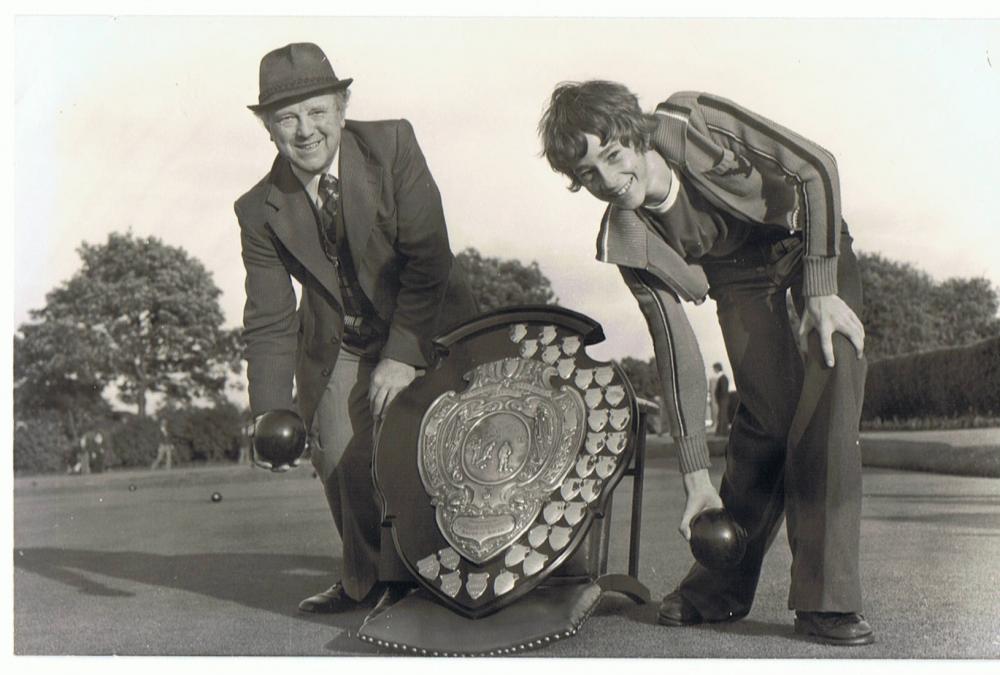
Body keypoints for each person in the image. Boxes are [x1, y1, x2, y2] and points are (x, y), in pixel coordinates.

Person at [539, 82, 871, 645]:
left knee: (830, 388)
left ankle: (827, 600)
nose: (609, 182)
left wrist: (819, 288)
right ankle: (719, 587)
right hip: (739, 278)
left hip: (806, 244)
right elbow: (676, 349)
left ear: (635, 132)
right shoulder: (627, 238)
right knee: (767, 416)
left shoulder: (693, 119)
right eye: (589, 175)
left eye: (613, 156)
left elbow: (816, 167)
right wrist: (695, 476)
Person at [235, 43, 477, 614]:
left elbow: (429, 258)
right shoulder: (256, 209)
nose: (305, 130)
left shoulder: (393, 144)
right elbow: (269, 317)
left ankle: (454, 573)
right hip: (341, 341)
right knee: (340, 450)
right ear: (268, 129)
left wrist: (403, 353)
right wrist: (271, 412)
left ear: (342, 107)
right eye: (287, 118)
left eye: (317, 111)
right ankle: (370, 583)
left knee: (434, 449)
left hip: (429, 324)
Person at [709, 363, 730, 435]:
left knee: (722, 415)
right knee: (722, 415)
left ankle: (721, 432)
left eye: (714, 369)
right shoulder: (722, 378)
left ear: (717, 369)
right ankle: (723, 431)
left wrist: (719, 398)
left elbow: (723, 390)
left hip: (723, 400)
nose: (714, 370)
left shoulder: (722, 378)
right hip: (723, 400)